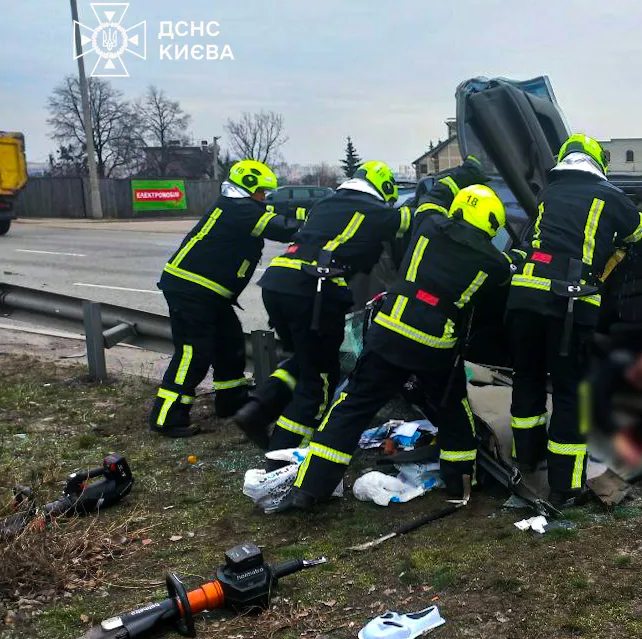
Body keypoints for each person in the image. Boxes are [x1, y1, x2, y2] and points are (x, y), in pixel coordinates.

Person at [270, 179, 513, 513]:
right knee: (453, 410)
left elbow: (432, 197)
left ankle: (310, 488)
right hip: (436, 345)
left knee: (352, 407)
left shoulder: (428, 221)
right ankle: (460, 483)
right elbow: (499, 288)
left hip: (390, 332)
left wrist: (456, 177)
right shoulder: (494, 262)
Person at [505, 133, 642, 506]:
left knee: (526, 376)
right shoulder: (609, 196)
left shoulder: (549, 193)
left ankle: (526, 458)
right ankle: (564, 485)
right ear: (599, 164)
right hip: (568, 302)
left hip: (523, 295)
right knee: (569, 391)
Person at [234, 161, 413, 452]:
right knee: (319, 378)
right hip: (314, 290)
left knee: (304, 359)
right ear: (385, 188)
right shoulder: (377, 211)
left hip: (279, 282)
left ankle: (256, 411)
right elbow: (411, 219)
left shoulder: (326, 202)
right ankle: (284, 453)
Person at [148, 159, 301, 438]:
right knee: (194, 353)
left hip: (210, 294)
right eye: (261, 192)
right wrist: (312, 226)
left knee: (230, 346)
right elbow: (281, 226)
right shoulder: (238, 209)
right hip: (192, 290)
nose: (264, 197)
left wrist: (317, 212)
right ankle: (167, 416)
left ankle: (231, 400)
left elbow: (279, 211)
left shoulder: (241, 206)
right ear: (249, 187)